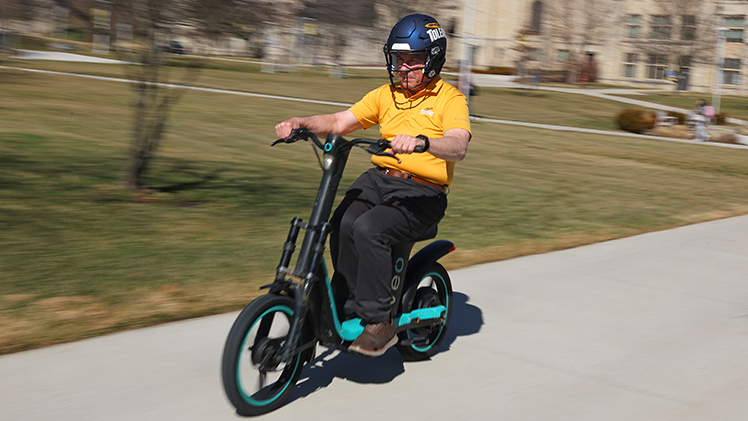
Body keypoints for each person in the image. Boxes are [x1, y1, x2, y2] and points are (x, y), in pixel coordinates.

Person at [274, 14, 471, 356]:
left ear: (433, 59)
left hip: (423, 191)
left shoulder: (449, 98)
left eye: (413, 61)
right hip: (380, 179)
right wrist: (301, 122)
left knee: (368, 228)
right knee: (341, 223)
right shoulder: (385, 95)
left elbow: (458, 145)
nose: (403, 68)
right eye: (399, 60)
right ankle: (348, 300)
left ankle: (379, 322)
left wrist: (423, 142)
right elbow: (339, 121)